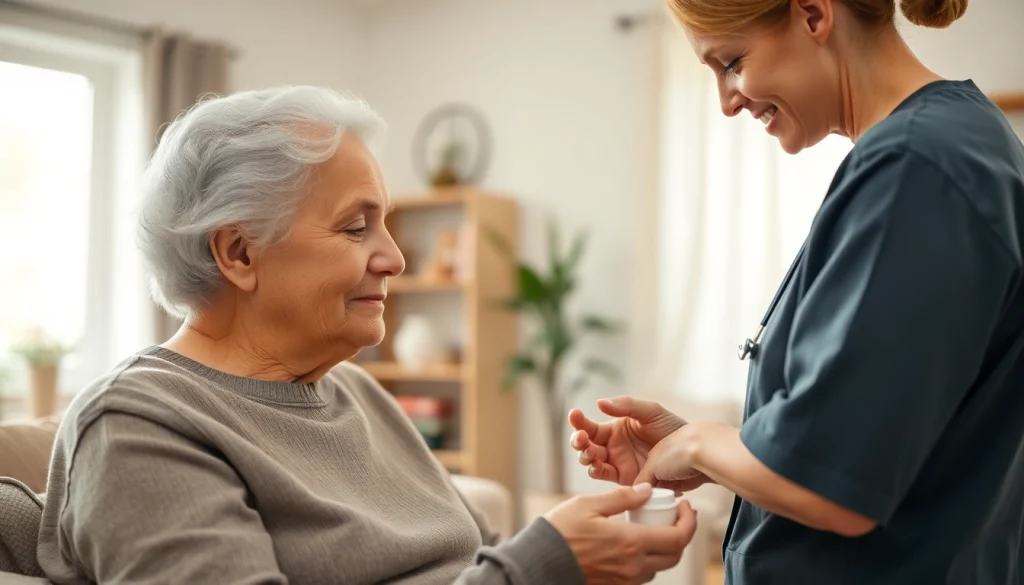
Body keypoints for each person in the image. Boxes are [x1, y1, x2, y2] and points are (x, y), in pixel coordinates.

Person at [35, 86, 697, 585]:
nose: (395, 259)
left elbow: (480, 560)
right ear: (239, 252)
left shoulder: (356, 391)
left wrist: (595, 546)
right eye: (357, 227)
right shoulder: (140, 426)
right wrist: (544, 562)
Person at [569, 0, 1024, 583]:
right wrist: (711, 450)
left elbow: (837, 485)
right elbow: (878, 436)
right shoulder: (937, 149)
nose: (726, 102)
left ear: (813, 14)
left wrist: (702, 445)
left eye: (731, 63)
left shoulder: (917, 167)